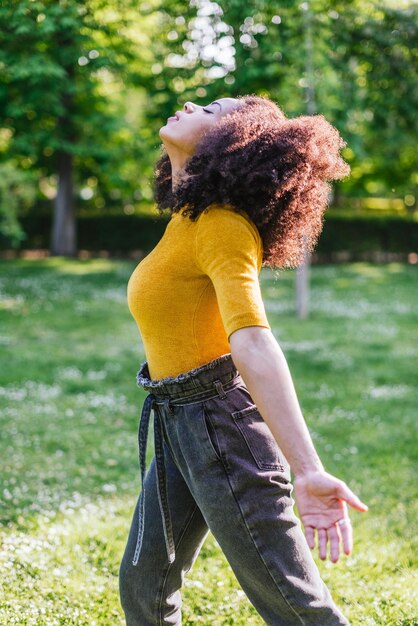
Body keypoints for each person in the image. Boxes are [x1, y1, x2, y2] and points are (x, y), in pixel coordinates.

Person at [119, 94, 368, 626]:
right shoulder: (188, 218)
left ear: (234, 142)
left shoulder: (223, 224)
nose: (190, 102)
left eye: (211, 107)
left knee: (294, 605)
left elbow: (253, 340)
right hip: (177, 421)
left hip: (220, 430)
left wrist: (308, 470)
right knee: (144, 588)